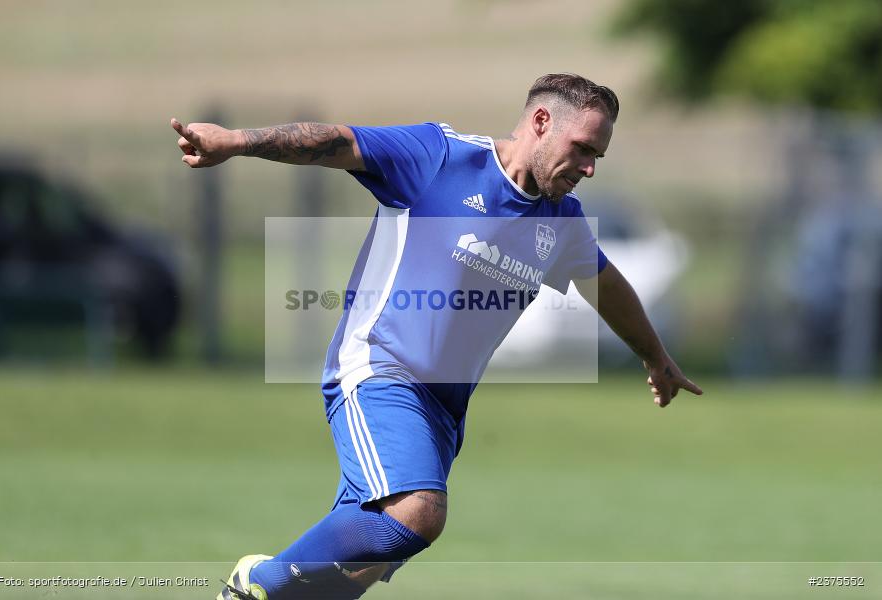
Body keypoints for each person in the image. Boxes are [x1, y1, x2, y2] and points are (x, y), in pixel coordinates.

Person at [171, 73, 702, 600]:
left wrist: (655, 357)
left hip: (445, 408)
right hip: (379, 369)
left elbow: (604, 284)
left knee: (361, 564)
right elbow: (338, 141)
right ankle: (256, 582)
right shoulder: (441, 156)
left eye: (597, 158)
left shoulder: (561, 218)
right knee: (416, 514)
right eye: (583, 148)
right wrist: (235, 143)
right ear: (540, 122)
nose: (588, 167)